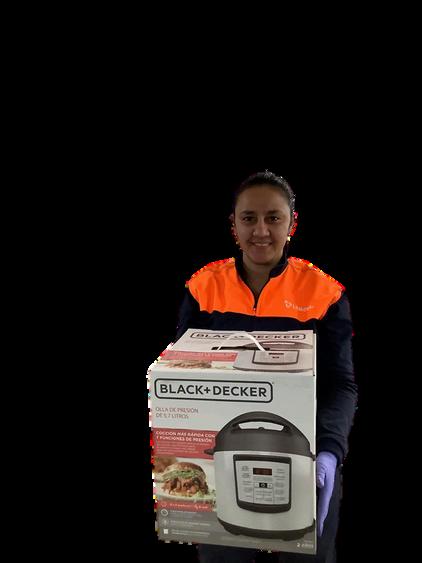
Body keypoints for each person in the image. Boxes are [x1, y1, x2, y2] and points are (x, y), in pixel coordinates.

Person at [174, 170, 358, 563]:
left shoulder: (324, 292)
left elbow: (341, 384)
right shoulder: (203, 286)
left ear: (292, 223)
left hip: (305, 457)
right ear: (234, 225)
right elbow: (183, 371)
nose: (261, 231)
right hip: (223, 458)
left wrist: (330, 452)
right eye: (249, 218)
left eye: (273, 218)